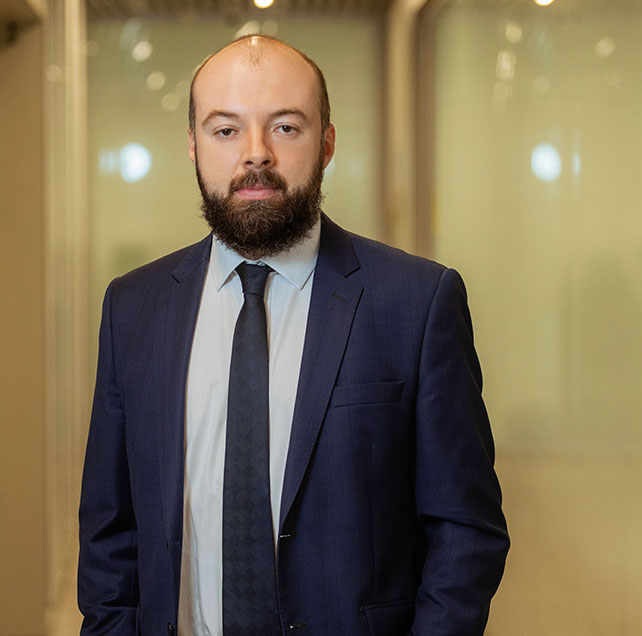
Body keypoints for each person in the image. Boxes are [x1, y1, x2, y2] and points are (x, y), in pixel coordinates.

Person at [78, 35, 508, 636]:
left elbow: (466, 530)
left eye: (285, 127)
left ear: (327, 143)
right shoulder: (133, 307)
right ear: (193, 145)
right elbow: (110, 528)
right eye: (225, 130)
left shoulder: (416, 302)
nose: (256, 155)